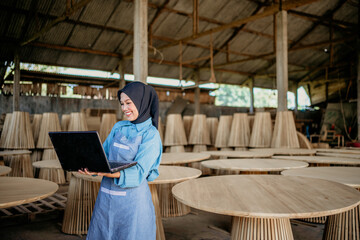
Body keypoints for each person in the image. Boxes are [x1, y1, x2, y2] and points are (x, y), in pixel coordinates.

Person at [79, 81, 162, 240]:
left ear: (141, 102)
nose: (124, 108)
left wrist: (105, 172)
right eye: (122, 104)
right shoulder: (119, 127)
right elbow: (102, 154)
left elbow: (138, 173)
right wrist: (90, 163)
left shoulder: (151, 135)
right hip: (106, 198)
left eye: (129, 103)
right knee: (103, 232)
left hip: (133, 202)